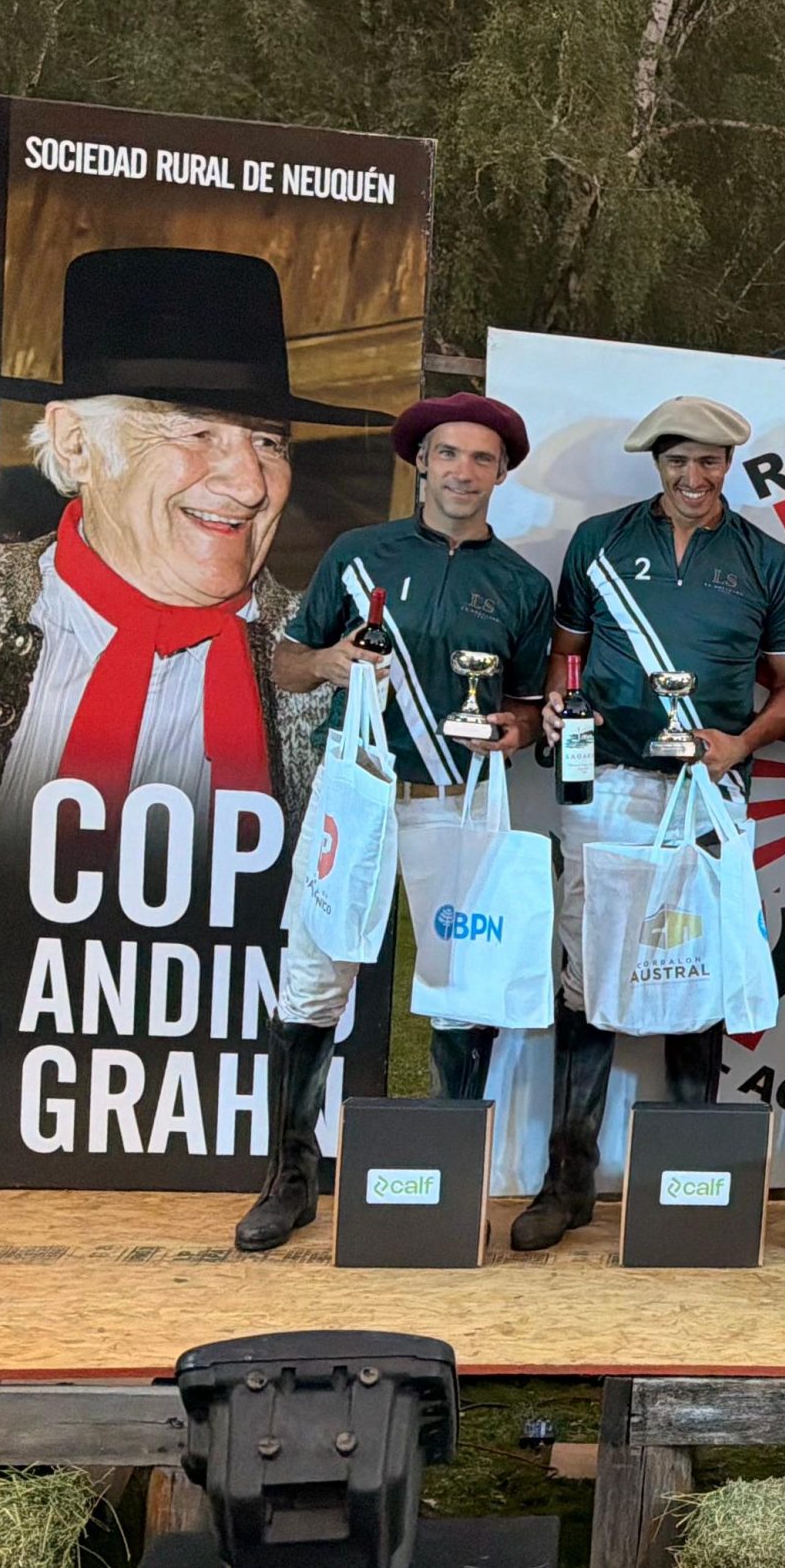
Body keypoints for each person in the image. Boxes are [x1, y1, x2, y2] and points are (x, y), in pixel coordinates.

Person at [235, 395, 553, 1252]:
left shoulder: (521, 585)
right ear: (422, 463)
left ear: (501, 473)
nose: (462, 472)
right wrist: (332, 660)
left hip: (456, 803)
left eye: (481, 460)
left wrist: (511, 730)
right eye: (448, 455)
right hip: (361, 798)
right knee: (313, 982)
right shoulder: (357, 554)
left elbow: (525, 712)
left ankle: (453, 1187)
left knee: (459, 997)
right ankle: (292, 1179)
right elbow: (286, 667)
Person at [511, 395, 785, 1253]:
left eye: (710, 462)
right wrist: (565, 700)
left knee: (699, 973)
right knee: (586, 976)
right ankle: (566, 1182)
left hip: (709, 792)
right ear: (657, 465)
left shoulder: (765, 561)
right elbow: (566, 653)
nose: (694, 477)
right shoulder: (600, 541)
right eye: (679, 461)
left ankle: (689, 1178)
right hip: (607, 782)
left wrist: (740, 741)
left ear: (729, 468)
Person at [0, 247, 391, 860]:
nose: (252, 485)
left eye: (269, 442)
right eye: (199, 432)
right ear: (76, 445)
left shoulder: (338, 667)